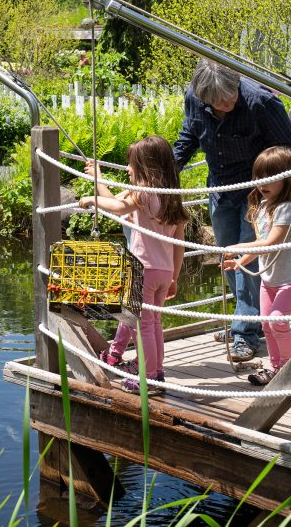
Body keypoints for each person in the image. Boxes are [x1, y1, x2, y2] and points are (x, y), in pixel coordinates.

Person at [173, 59, 291, 362]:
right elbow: (189, 137)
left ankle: (245, 333)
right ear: (202, 97)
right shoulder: (194, 98)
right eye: (218, 101)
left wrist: (276, 190)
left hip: (258, 191)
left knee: (247, 257)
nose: (226, 103)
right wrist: (164, 173)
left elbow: (290, 149)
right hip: (220, 187)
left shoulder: (261, 102)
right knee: (228, 254)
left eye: (231, 96)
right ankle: (244, 319)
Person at [78, 135, 189, 396]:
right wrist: (175, 276)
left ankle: (148, 377)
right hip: (163, 272)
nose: (128, 168)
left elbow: (117, 207)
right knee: (155, 323)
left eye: (131, 164)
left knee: (143, 326)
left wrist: (90, 199)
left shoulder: (142, 192)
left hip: (143, 270)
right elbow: (179, 245)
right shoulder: (171, 196)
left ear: (145, 166)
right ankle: (157, 372)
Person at [222, 147, 291, 386]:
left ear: (286, 179)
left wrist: (239, 247)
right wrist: (241, 261)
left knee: (277, 321)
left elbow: (272, 242)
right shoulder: (262, 206)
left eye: (270, 177)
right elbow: (262, 245)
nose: (262, 183)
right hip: (269, 280)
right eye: (258, 176)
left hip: (288, 279)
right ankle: (276, 367)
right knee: (266, 324)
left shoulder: (287, 207)